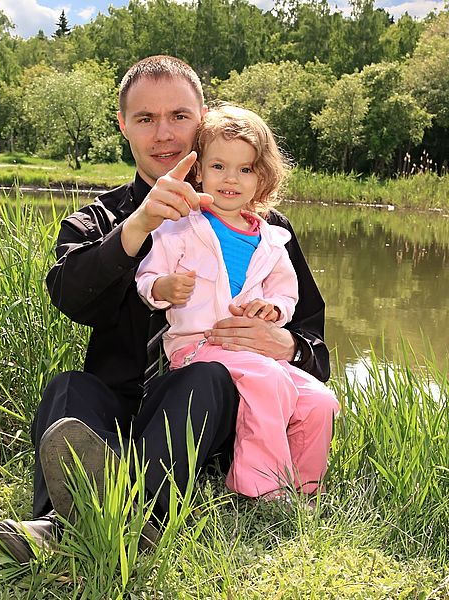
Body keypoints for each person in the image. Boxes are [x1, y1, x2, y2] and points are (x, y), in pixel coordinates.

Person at [0, 55, 331, 563]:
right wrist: (137, 227)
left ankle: (93, 525)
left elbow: (315, 346)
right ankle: (82, 523)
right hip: (118, 406)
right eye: (146, 119)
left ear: (204, 119)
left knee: (209, 375)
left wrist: (286, 344)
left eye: (179, 116)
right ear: (124, 125)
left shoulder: (261, 228)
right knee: (69, 387)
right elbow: (69, 294)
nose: (164, 134)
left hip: (204, 414)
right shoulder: (99, 218)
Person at [134, 104, 339, 500]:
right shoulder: (180, 226)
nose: (231, 179)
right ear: (198, 170)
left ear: (262, 177)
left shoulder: (273, 239)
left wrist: (273, 311)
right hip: (198, 347)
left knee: (319, 400)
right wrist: (163, 288)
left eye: (245, 169)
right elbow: (146, 278)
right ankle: (259, 488)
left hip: (255, 354)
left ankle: (305, 491)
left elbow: (286, 294)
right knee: (270, 380)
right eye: (219, 166)